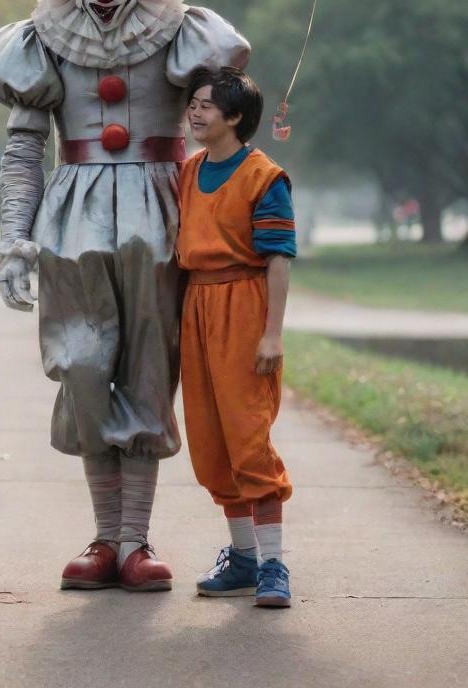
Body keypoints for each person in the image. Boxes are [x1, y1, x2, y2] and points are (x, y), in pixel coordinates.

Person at [0, 0, 250, 592]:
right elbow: (22, 148)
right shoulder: (38, 42)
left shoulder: (183, 34)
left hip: (163, 218)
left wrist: (253, 129)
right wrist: (14, 240)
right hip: (73, 224)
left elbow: (224, 120)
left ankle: (135, 541)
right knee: (85, 366)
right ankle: (103, 538)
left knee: (149, 372)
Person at [177, 67, 296, 607]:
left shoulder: (263, 177)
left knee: (248, 437)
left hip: (244, 305)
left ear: (236, 117)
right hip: (196, 306)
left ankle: (274, 564)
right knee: (209, 440)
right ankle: (243, 557)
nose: (195, 112)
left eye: (206, 105)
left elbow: (278, 259)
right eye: (193, 104)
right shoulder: (188, 171)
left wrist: (271, 333)